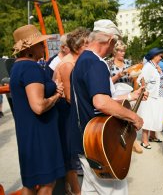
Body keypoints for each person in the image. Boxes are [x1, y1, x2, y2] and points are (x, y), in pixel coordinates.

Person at [69, 19, 144, 194]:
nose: (113, 48)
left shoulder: (82, 60)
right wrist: (134, 117)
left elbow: (100, 97)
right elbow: (101, 102)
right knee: (115, 190)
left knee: (90, 189)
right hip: (98, 144)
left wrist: (131, 96)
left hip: (87, 141)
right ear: (110, 40)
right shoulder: (96, 63)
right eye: (114, 44)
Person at [10, 24, 65, 194]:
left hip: (29, 132)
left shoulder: (18, 67)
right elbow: (39, 106)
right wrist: (57, 95)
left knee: (31, 184)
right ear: (31, 49)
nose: (44, 46)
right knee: (47, 184)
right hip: (40, 134)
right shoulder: (30, 68)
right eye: (41, 43)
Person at [53, 27, 90, 195]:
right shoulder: (68, 64)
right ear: (80, 45)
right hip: (65, 113)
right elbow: (69, 97)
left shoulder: (74, 61)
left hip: (68, 111)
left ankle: (71, 189)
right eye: (88, 44)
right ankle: (76, 191)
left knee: (71, 154)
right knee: (70, 154)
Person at [138, 47, 163, 149]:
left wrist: (160, 72)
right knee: (148, 117)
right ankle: (144, 141)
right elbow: (141, 79)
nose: (161, 58)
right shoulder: (148, 66)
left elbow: (161, 80)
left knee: (156, 117)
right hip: (150, 96)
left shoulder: (156, 66)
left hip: (159, 95)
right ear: (154, 56)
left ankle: (153, 136)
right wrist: (145, 91)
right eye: (160, 56)